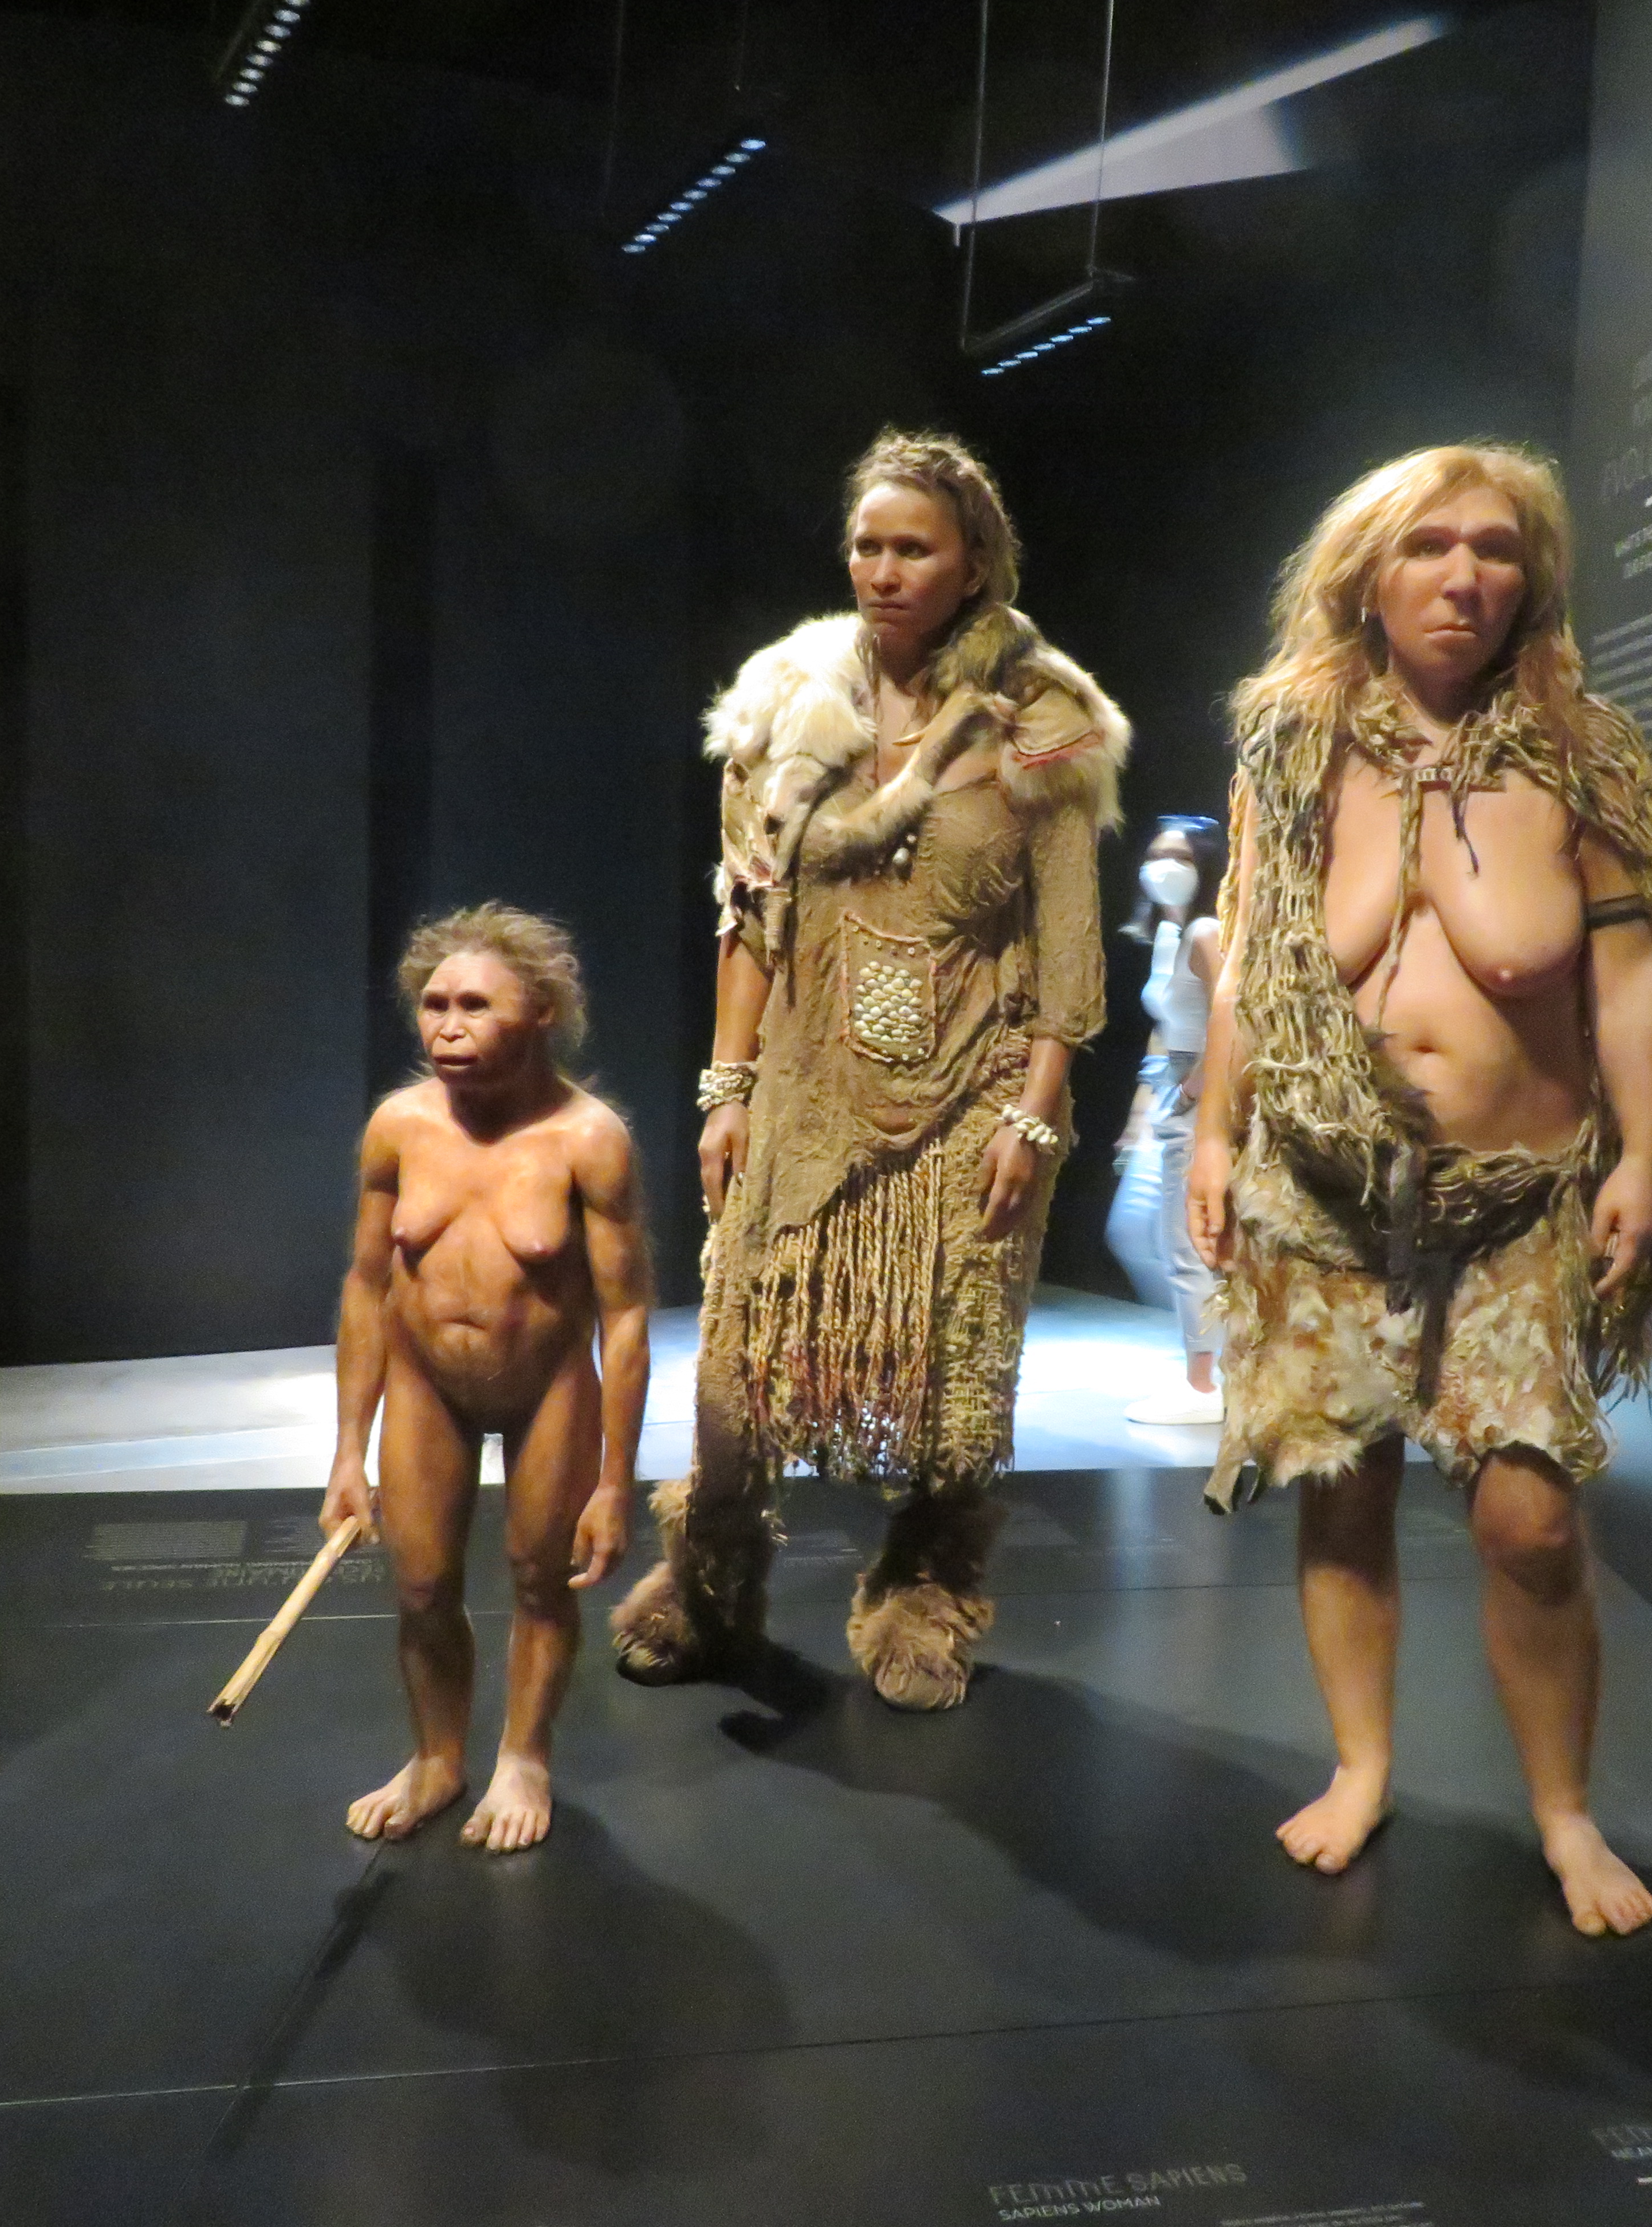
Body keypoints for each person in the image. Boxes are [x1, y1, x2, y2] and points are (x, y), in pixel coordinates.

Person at [1187, 443, 1652, 1937]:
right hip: (1323, 1194)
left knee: (1530, 1524)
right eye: (1429, 546)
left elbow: (1634, 977)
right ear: (1367, 572)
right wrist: (1214, 1136)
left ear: (1530, 580)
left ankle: (1564, 1811)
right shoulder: (1291, 744)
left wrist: (1647, 1158)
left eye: (1495, 548)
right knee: (1340, 1488)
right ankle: (1362, 1766)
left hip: (1512, 1203)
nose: (1464, 576)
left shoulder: (1584, 753)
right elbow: (1253, 960)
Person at [611, 428, 1126, 1710]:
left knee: (958, 1378)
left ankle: (923, 1593)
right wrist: (726, 1088)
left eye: (914, 549)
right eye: (866, 546)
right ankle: (708, 1578)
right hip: (804, 1083)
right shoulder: (785, 700)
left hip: (971, 1088)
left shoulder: (1040, 715)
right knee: (738, 1369)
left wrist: (1035, 1115)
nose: (884, 571)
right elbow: (748, 913)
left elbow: (1068, 943)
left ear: (973, 563)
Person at [321, 904, 652, 1853]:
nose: (447, 1028)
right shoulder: (399, 1126)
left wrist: (614, 1481)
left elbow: (627, 1316)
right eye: (434, 1005)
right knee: (421, 1583)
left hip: (547, 1385)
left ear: (541, 1012)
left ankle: (524, 1757)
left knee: (541, 1579)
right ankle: (437, 1758)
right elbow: (366, 1284)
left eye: (475, 1006)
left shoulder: (588, 1139)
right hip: (427, 1381)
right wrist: (347, 1449)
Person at [1106, 814, 1227, 1425]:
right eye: (1156, 855)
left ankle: (1203, 1383)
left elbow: (1235, 1015)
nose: (1164, 867)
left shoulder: (1206, 931)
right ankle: (1203, 1358)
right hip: (1173, 1094)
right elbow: (1166, 1026)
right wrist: (1143, 1112)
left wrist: (1195, 1087)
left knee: (1187, 1245)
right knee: (1143, 1234)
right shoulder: (1168, 935)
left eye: (1181, 857)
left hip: (1201, 1099)